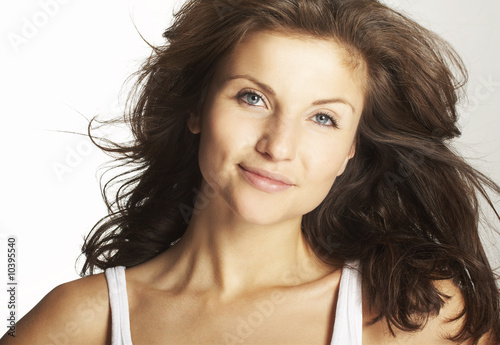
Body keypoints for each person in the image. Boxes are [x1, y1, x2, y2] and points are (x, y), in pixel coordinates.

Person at [2, 0, 499, 344]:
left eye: (323, 118)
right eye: (252, 97)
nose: (277, 145)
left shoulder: (419, 318)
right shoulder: (84, 321)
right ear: (198, 108)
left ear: (352, 148)